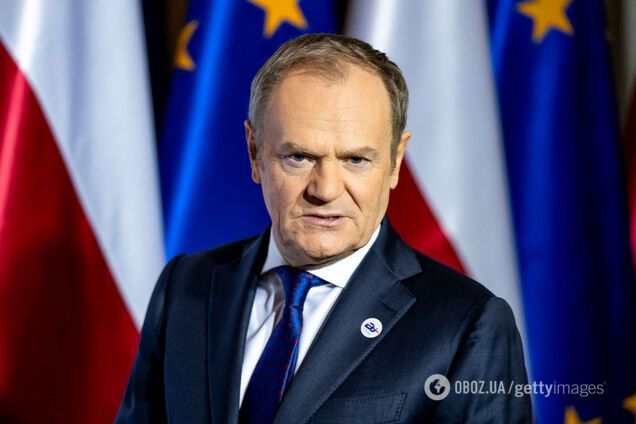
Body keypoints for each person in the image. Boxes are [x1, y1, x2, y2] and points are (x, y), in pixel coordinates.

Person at [116, 33, 532, 423]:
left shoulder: (467, 325)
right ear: (255, 153)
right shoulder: (186, 287)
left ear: (395, 160)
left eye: (356, 160)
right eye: (299, 157)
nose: (326, 190)